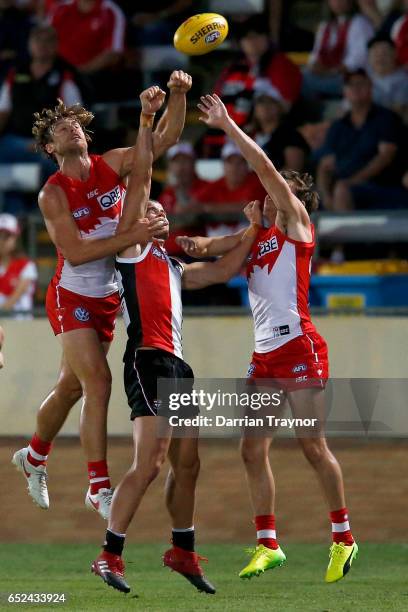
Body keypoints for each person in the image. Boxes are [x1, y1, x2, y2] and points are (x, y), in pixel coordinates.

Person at [177, 92, 358, 584]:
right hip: (265, 356)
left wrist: (227, 125)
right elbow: (215, 254)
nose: (264, 193)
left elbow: (264, 170)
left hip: (300, 348)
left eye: (277, 189)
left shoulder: (297, 226)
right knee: (251, 450)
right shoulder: (257, 237)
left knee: (312, 447)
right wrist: (188, 246)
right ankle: (267, 544)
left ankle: (343, 538)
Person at [91, 87, 263, 595]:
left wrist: (251, 230)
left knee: (189, 463)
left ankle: (182, 550)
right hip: (147, 360)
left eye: (164, 211)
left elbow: (226, 268)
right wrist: (149, 116)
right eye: (152, 210)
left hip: (176, 365)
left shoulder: (170, 265)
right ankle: (109, 555)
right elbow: (142, 174)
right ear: (138, 219)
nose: (160, 213)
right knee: (151, 462)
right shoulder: (132, 252)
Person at [12, 70, 192, 519]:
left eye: (74, 123)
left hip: (110, 295)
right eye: (59, 128)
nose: (70, 127)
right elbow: (73, 253)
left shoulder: (112, 163)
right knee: (99, 382)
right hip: (71, 294)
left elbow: (164, 139)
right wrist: (136, 232)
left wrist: (177, 94)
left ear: (85, 134)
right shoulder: (53, 194)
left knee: (72, 387)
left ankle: (33, 456)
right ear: (51, 148)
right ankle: (98, 484)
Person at [0, 24, 84, 212]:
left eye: (48, 41)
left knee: (50, 165)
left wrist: (45, 141)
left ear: (56, 45)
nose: (42, 45)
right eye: (37, 40)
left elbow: (76, 116)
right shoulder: (15, 73)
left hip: (49, 145)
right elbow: (3, 112)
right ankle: (14, 222)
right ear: (30, 44)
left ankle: (46, 219)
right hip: (14, 142)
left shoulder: (65, 75)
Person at [204, 14, 302, 155]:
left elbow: (286, 106)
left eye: (257, 35)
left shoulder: (282, 64)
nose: (252, 41)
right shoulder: (231, 69)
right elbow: (214, 103)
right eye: (247, 37)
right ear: (240, 42)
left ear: (267, 37)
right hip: (226, 132)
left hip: (263, 136)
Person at [317, 68, 408, 210]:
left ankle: (342, 232)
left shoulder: (386, 119)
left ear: (371, 88)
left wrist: (352, 182)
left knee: (341, 190)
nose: (355, 88)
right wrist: (325, 195)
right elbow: (325, 166)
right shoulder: (338, 126)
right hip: (343, 189)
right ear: (344, 91)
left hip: (383, 188)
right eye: (350, 85)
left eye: (361, 84)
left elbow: (386, 156)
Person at [302, 0, 374, 100]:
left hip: (351, 76)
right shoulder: (325, 26)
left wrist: (332, 71)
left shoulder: (361, 23)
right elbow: (316, 52)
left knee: (305, 80)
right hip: (327, 75)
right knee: (303, 76)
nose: (337, 2)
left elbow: (359, 59)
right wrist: (314, 65)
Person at [195, 142, 266, 237]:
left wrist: (209, 208)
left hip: (251, 242)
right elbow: (193, 205)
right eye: (230, 162)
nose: (235, 167)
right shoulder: (216, 184)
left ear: (247, 165)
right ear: (223, 165)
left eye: (240, 162)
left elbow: (248, 207)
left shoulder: (256, 181)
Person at [158, 141, 209, 255]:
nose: (181, 165)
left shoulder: (206, 187)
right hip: (168, 254)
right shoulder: (166, 193)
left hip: (198, 254)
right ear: (170, 166)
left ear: (194, 162)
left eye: (185, 160)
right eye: (176, 161)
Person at [246, 82, 309, 172]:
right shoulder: (247, 134)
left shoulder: (290, 135)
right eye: (261, 102)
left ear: (280, 107)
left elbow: (293, 172)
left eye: (271, 101)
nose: (265, 106)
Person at [0, 213, 37, 318]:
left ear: (16, 238)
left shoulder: (27, 265)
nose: (2, 241)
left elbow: (12, 300)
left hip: (21, 326)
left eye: (7, 236)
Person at [367, 34, 408, 119]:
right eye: (375, 53)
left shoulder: (404, 80)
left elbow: (397, 111)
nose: (379, 58)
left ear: (395, 54)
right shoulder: (362, 78)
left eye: (384, 53)